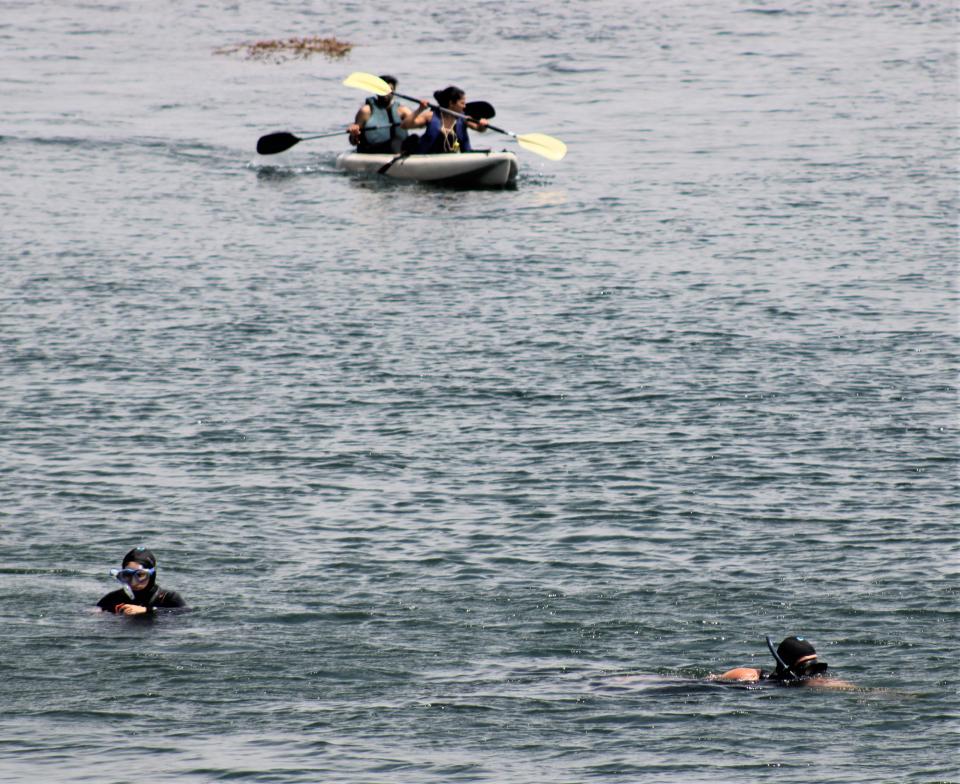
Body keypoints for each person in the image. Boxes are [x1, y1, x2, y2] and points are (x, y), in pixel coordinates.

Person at [713, 635, 854, 689]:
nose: (813, 674)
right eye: (806, 668)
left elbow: (845, 687)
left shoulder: (813, 682)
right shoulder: (749, 676)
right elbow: (711, 682)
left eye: (816, 667)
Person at [96, 546, 187, 616]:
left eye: (140, 575)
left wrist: (147, 610)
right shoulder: (113, 598)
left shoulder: (168, 598)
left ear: (151, 575)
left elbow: (186, 613)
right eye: (127, 575)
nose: (133, 582)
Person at [401, 85, 488, 154]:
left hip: (449, 157)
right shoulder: (430, 116)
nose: (464, 106)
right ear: (451, 103)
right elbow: (405, 125)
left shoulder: (463, 118)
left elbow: (479, 129)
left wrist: (483, 125)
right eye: (462, 103)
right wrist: (420, 109)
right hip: (427, 157)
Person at [347, 74, 413, 154]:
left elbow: (419, 122)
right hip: (373, 150)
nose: (385, 93)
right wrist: (354, 134)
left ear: (394, 92)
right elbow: (354, 142)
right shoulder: (366, 111)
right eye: (382, 90)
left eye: (389, 90)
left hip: (398, 148)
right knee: (395, 142)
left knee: (414, 139)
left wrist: (421, 109)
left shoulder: (403, 111)